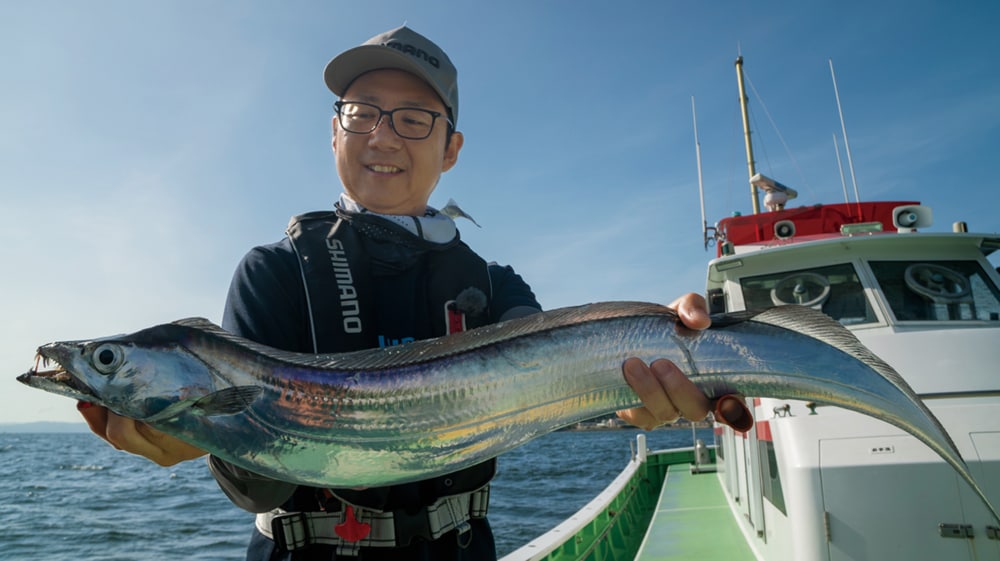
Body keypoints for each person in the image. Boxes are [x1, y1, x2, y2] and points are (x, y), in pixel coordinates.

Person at [79, 25, 750, 560]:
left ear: (451, 148)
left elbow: (565, 389)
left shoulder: (495, 284)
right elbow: (256, 484)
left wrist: (636, 393)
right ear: (333, 129)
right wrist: (206, 435)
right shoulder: (273, 271)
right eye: (361, 112)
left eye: (412, 119)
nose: (382, 135)